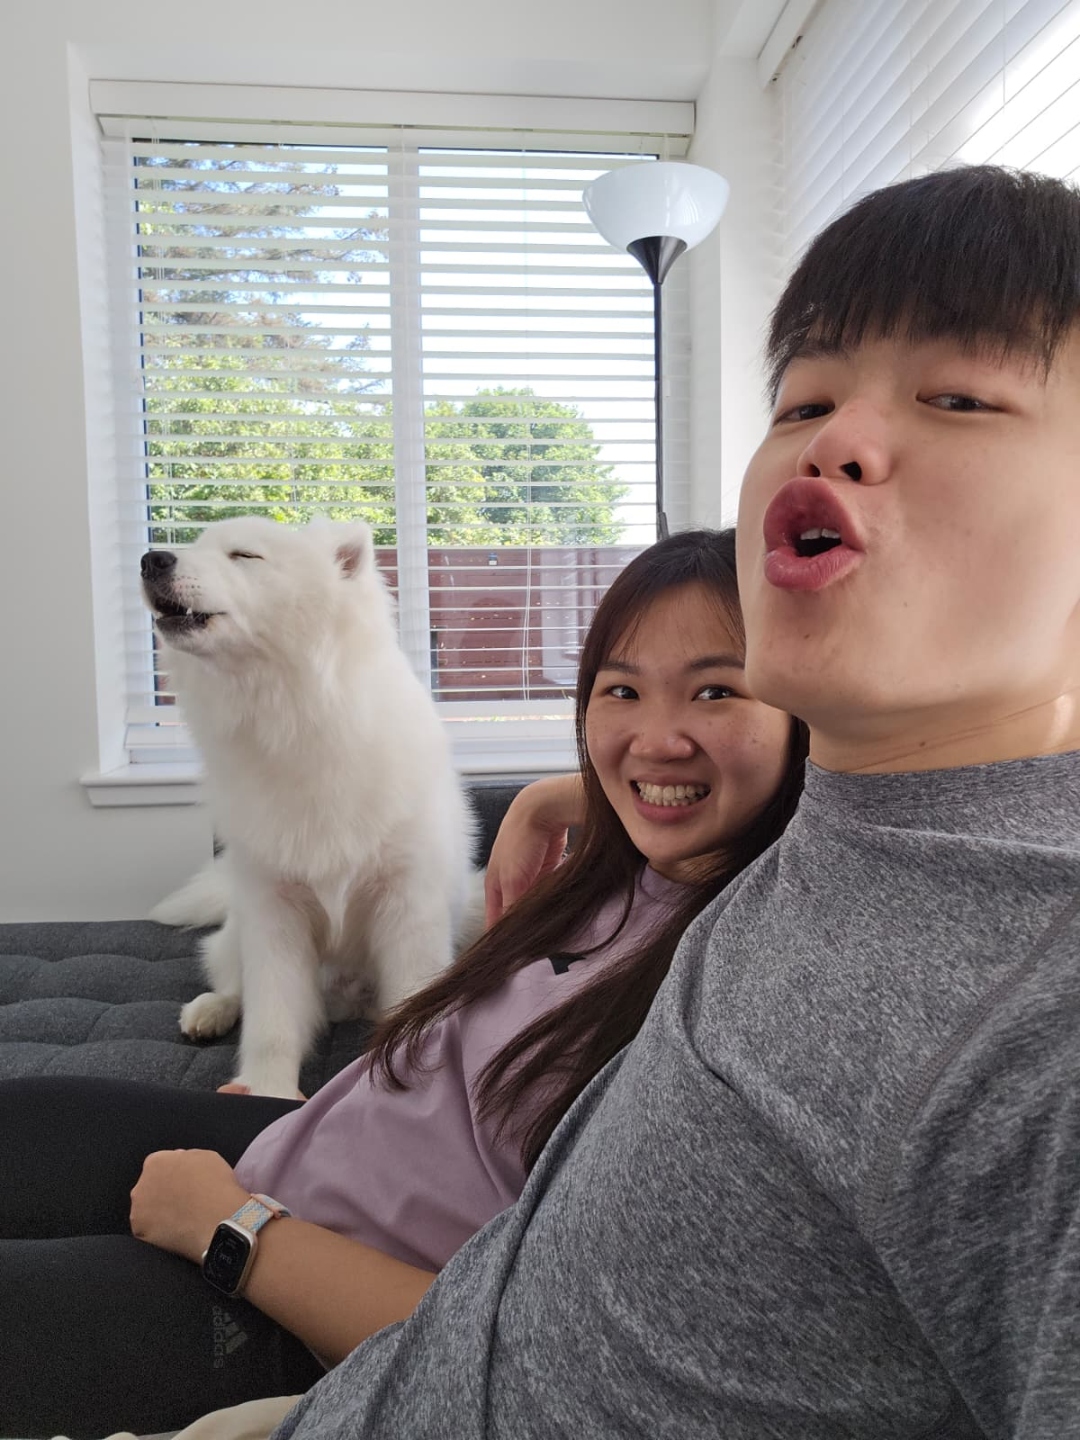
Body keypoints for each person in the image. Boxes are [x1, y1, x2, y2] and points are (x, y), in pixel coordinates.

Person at [265, 163, 1080, 1440]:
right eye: (805, 397)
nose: (835, 439)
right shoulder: (842, 830)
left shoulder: (1043, 1010)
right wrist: (574, 799)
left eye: (961, 396)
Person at [0, 528, 807, 1439]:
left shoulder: (747, 978)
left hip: (307, 1298)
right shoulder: (648, 859)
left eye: (716, 689)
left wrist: (235, 1233)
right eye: (620, 689)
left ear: (812, 706)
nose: (655, 738)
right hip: (299, 1146)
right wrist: (563, 791)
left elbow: (540, 1354)